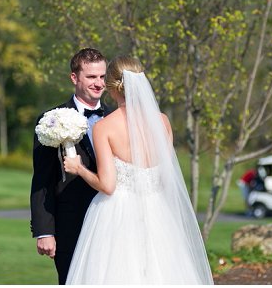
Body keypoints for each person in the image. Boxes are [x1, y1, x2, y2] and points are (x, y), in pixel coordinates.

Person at [61, 57, 213, 284]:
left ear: (111, 87)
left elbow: (107, 185)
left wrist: (79, 168)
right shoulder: (162, 122)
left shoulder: (105, 127)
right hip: (158, 211)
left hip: (117, 215)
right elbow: (166, 177)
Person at [30, 48, 110, 285]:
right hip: (70, 223)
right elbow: (42, 179)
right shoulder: (51, 120)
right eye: (91, 77)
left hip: (111, 220)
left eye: (103, 77)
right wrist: (45, 231)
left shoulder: (116, 118)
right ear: (74, 78)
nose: (99, 83)